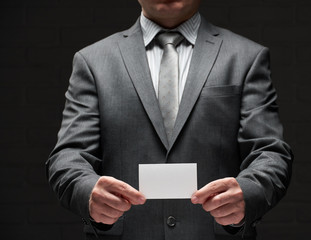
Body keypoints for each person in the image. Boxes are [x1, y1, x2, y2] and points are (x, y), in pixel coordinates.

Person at [46, 0, 293, 239]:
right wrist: (87, 191)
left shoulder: (247, 57)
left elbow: (270, 152)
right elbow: (68, 156)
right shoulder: (92, 62)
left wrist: (247, 194)